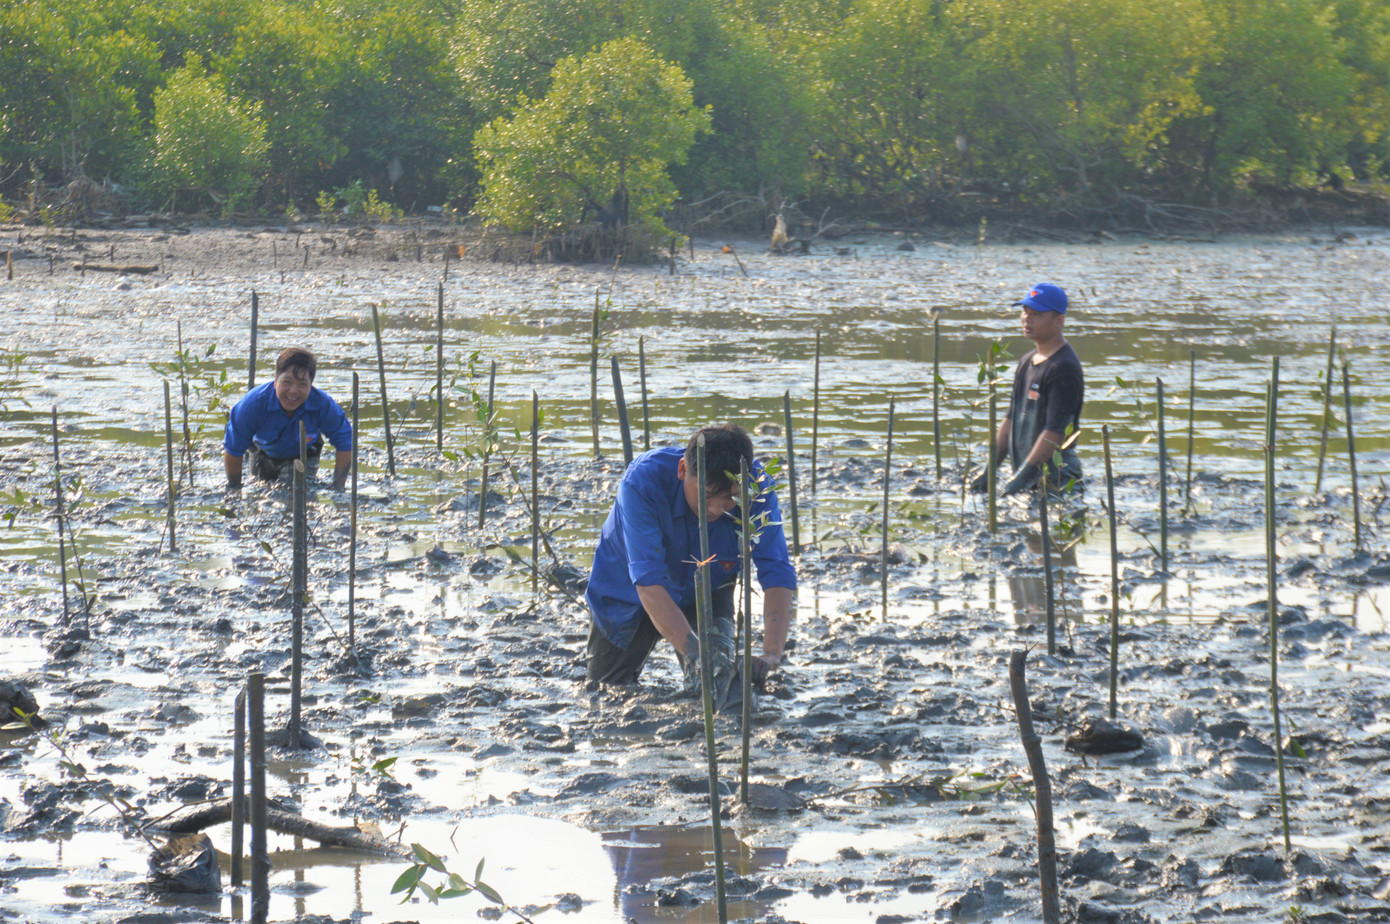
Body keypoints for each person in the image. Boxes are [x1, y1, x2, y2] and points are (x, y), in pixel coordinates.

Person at [585, 424, 797, 700]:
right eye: (707, 495)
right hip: (628, 590)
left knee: (720, 685)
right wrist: (697, 655)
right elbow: (648, 582)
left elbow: (776, 570)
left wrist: (771, 654)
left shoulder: (756, 490)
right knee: (606, 692)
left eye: (730, 498)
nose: (716, 509)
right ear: (683, 470)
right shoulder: (643, 483)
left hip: (709, 586)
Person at [971, 282, 1083, 497]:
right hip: (1026, 475)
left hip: (1056, 480)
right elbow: (1011, 418)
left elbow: (1055, 432)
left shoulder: (1064, 367)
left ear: (1059, 321)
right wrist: (990, 470)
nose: (1026, 318)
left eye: (1037, 314)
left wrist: (1020, 480)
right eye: (1025, 312)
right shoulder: (1026, 362)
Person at [223, 347, 353, 490]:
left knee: (299, 493)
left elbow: (345, 442)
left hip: (305, 454)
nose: (293, 391)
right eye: (287, 382)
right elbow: (233, 448)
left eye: (302, 384)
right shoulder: (253, 405)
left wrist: (338, 487)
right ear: (276, 381)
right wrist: (234, 489)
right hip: (262, 452)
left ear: (311, 385)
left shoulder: (322, 404)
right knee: (261, 493)